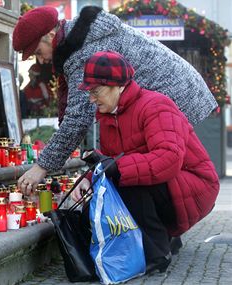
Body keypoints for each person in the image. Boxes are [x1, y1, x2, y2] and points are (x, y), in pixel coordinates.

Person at [13, 6, 217, 197]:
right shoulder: (80, 39)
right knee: (152, 182)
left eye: (38, 52)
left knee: (160, 181)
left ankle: (160, 232)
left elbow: (78, 118)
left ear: (50, 35)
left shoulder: (82, 49)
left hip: (179, 97)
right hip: (180, 92)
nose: (40, 60)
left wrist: (41, 167)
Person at [72, 51, 219, 273]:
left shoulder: (155, 105)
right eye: (89, 92)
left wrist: (117, 169)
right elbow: (113, 159)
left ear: (119, 86)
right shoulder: (109, 115)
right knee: (123, 178)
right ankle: (166, 234)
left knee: (129, 180)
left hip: (197, 185)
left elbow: (168, 159)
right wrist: (89, 178)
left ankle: (156, 254)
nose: (91, 98)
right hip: (173, 185)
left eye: (96, 91)